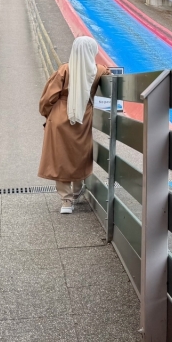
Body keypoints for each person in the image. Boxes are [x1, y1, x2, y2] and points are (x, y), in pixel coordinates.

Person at [38, 36, 109, 213]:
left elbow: (48, 98)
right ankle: (77, 192)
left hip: (61, 114)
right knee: (80, 154)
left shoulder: (65, 70)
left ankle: (66, 201)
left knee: (59, 158)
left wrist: (48, 113)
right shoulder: (99, 71)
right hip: (84, 116)